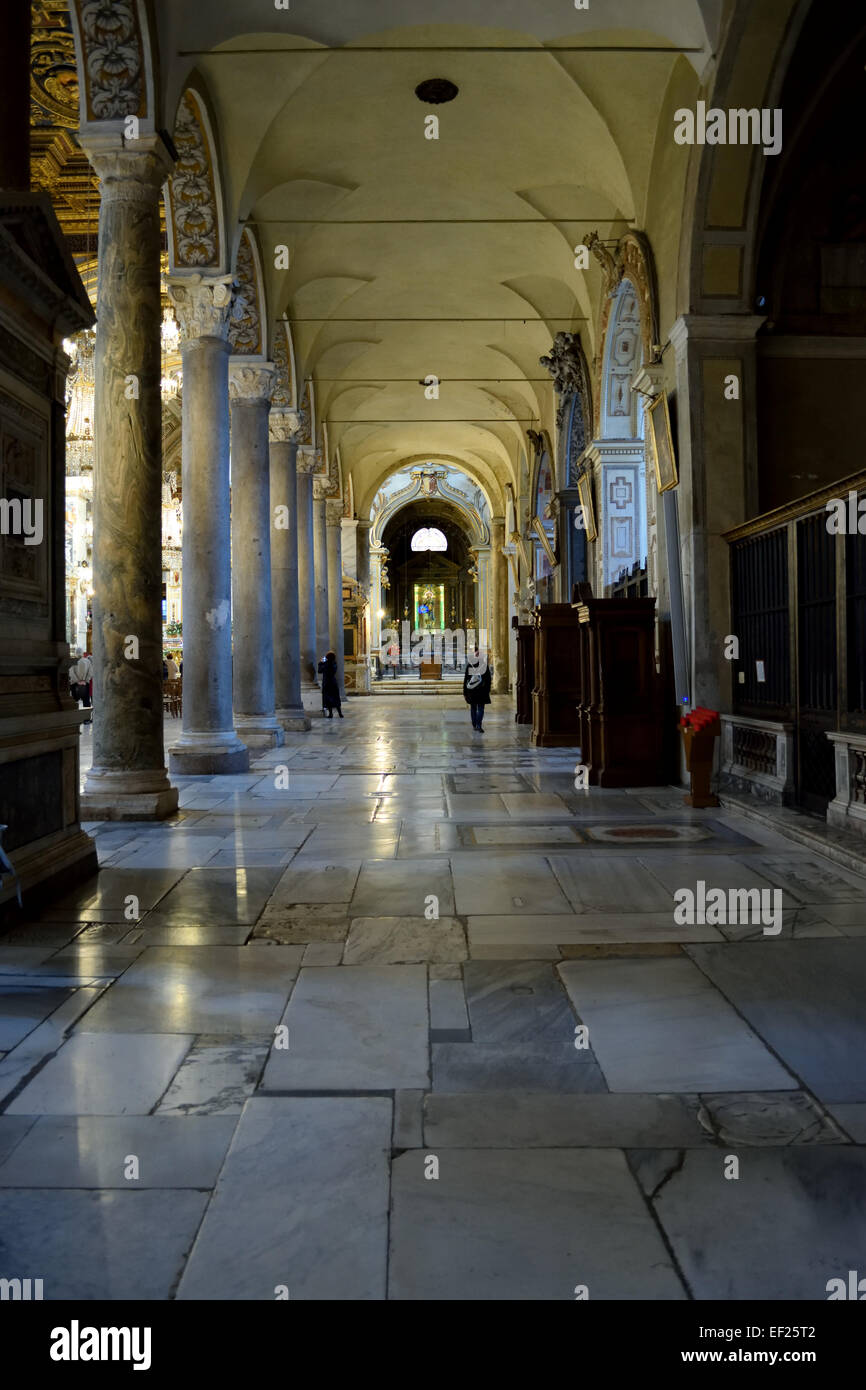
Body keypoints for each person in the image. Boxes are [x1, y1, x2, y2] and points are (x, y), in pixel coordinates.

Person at [463, 649, 492, 732]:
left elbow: (466, 680)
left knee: (473, 708)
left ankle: (474, 724)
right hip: (482, 691)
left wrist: (465, 692)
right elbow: (488, 680)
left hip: (472, 691)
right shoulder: (484, 665)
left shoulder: (470, 665)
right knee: (481, 708)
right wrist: (487, 690)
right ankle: (478, 725)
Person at [317, 650, 343, 719]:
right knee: (336, 698)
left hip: (327, 683)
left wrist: (321, 662)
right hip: (333, 682)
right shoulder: (334, 663)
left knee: (328, 699)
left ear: (327, 657)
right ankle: (340, 713)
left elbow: (319, 671)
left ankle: (330, 714)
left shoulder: (325, 664)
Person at [72, 651, 93, 723]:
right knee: (86, 701)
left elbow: (71, 672)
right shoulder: (87, 661)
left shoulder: (73, 661)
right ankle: (86, 719)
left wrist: (77, 681)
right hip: (85, 683)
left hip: (75, 684)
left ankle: (74, 718)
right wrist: (85, 680)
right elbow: (91, 672)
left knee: (74, 701)